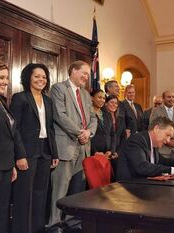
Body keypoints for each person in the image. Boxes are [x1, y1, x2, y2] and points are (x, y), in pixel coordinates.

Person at [9, 63, 59, 233]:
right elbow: (14, 130)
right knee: (24, 195)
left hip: (45, 150)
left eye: (44, 76)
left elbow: (50, 128)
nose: (41, 79)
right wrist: (19, 155)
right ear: (28, 77)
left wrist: (54, 153)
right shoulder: (20, 98)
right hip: (27, 152)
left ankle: (37, 229)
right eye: (37, 76)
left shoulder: (48, 100)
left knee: (40, 194)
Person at [48, 60, 97, 228]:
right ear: (73, 71)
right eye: (83, 73)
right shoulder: (59, 88)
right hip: (66, 146)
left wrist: (89, 132)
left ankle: (72, 220)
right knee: (60, 188)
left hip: (84, 148)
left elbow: (92, 118)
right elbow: (59, 116)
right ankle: (54, 223)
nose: (86, 77)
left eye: (88, 75)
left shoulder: (85, 94)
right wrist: (79, 133)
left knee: (78, 188)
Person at [0, 60, 23, 233]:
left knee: (2, 213)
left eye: (7, 78)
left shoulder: (1, 101)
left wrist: (12, 164)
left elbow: (9, 135)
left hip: (6, 167)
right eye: (1, 77)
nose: (5, 82)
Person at [116, 116, 174, 180]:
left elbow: (161, 160)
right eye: (167, 135)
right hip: (129, 188)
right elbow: (142, 167)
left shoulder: (152, 142)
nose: (168, 140)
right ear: (156, 129)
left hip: (143, 185)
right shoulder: (137, 140)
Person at [149, 90, 174, 160]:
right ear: (163, 99)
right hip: (162, 149)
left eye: (173, 97)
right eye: (169, 97)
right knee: (164, 169)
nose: (171, 99)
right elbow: (152, 127)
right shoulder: (156, 110)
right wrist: (166, 141)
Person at [90, 89, 117, 160]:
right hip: (93, 155)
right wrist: (94, 152)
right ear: (92, 98)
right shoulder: (87, 114)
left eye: (104, 98)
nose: (102, 100)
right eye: (99, 97)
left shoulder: (107, 114)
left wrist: (111, 151)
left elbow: (112, 134)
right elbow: (88, 136)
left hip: (107, 155)